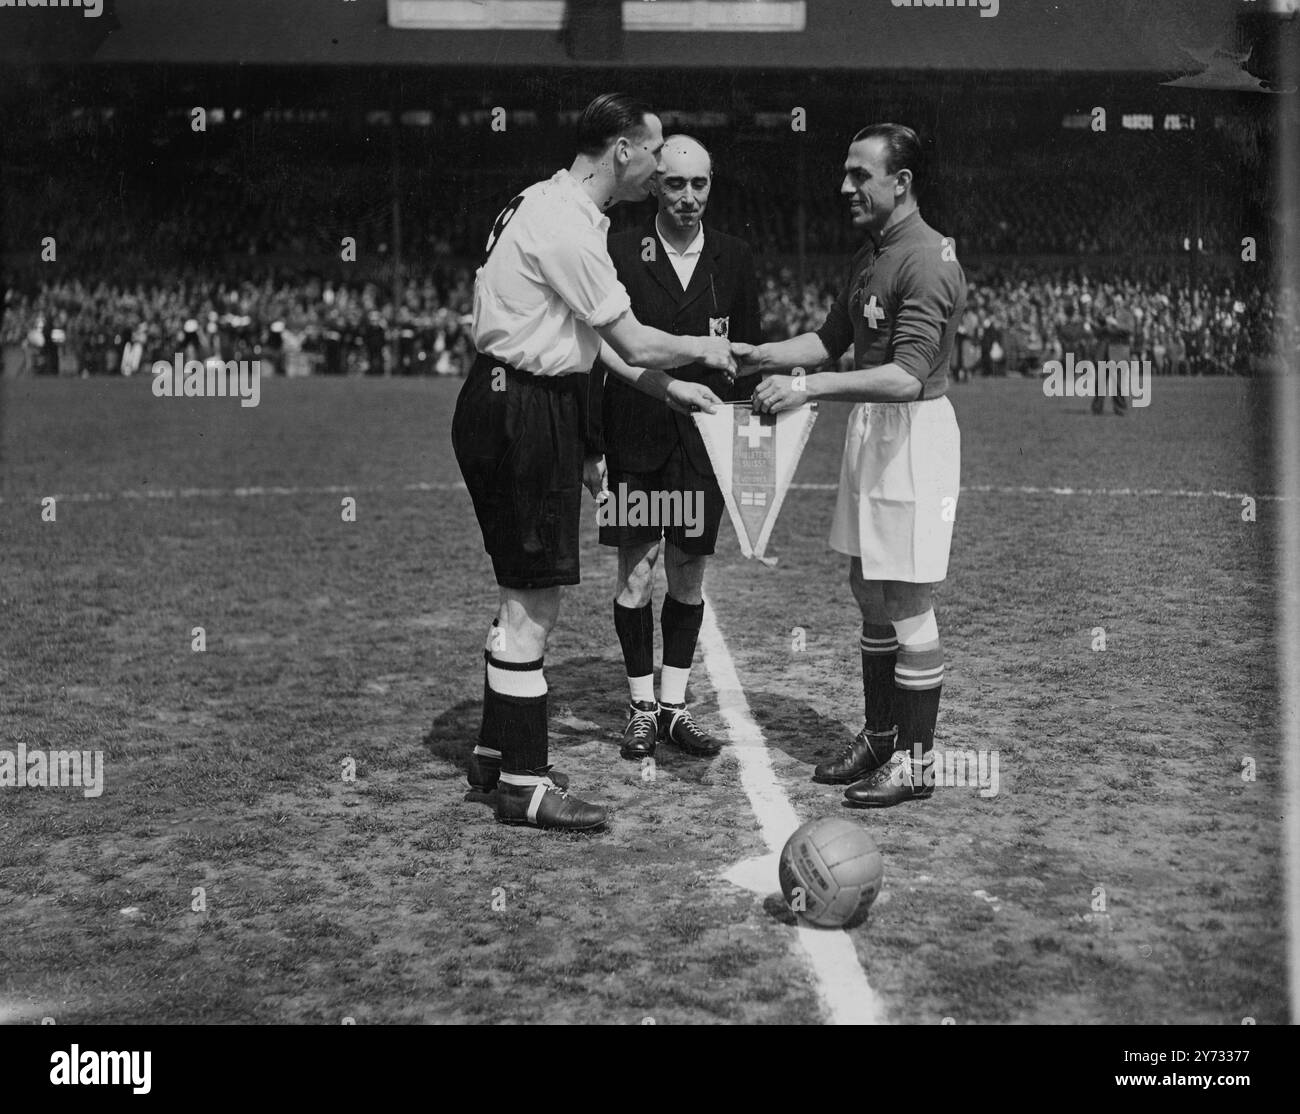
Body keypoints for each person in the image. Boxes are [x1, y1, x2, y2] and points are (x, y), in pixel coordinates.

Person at [451, 94, 735, 832]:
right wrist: (706, 350)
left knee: (519, 589)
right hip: (527, 410)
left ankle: (493, 751)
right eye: (655, 150)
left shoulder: (541, 202)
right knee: (533, 602)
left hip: (502, 400)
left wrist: (669, 390)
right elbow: (634, 339)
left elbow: (602, 343)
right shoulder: (569, 225)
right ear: (622, 149)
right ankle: (525, 784)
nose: (659, 165)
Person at [733, 123, 965, 809]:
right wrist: (761, 354)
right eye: (845, 172)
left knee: (907, 598)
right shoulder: (871, 255)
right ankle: (880, 736)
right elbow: (831, 340)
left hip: (913, 435)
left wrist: (805, 389)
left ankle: (917, 764)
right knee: (867, 586)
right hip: (871, 428)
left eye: (860, 174)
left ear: (902, 182)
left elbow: (905, 376)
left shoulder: (929, 258)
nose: (845, 187)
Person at [589, 135, 761, 763]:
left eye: (700, 185)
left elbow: (747, 358)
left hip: (704, 445)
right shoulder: (616, 250)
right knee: (636, 574)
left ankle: (674, 706)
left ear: (712, 185)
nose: (688, 198)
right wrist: (593, 443)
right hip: (634, 437)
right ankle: (638, 706)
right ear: (655, 185)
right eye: (674, 185)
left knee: (688, 573)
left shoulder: (735, 258)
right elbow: (595, 353)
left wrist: (753, 445)